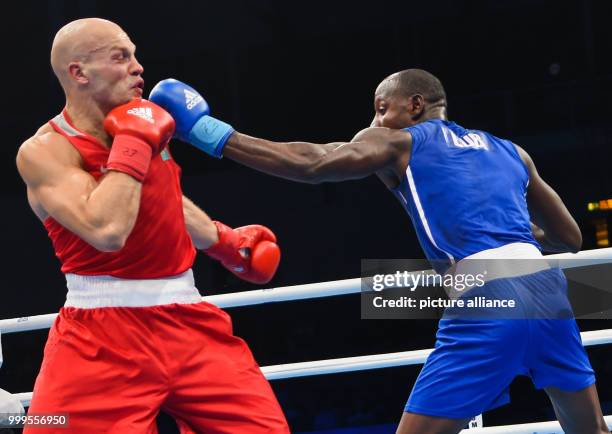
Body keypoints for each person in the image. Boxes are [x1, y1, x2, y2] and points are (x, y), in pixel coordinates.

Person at [148, 70, 610, 434]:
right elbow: (569, 237)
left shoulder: (400, 140)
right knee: (587, 427)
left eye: (379, 110)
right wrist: (511, 234)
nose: (371, 124)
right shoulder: (511, 151)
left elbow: (314, 164)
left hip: (486, 297)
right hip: (549, 294)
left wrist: (206, 132)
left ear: (414, 105)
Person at [16, 18, 289, 433]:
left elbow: (162, 200)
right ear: (79, 73)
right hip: (100, 336)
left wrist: (224, 242)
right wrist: (134, 141)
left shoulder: (144, 127)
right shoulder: (45, 151)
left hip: (191, 323)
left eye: (135, 55)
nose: (138, 67)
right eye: (120, 57)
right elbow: (107, 229)